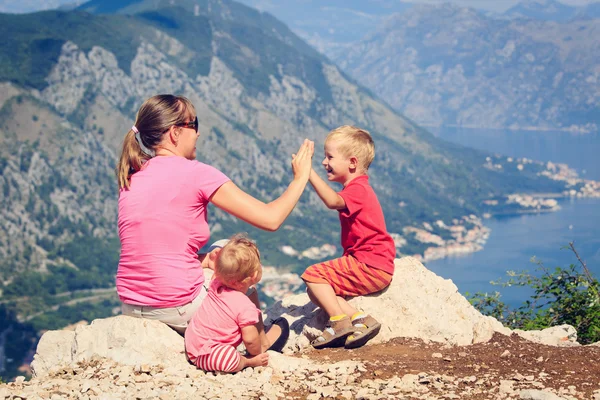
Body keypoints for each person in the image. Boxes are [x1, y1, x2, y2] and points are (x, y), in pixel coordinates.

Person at [115, 94, 314, 335]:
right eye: (194, 124)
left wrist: (203, 260)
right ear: (175, 133)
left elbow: (153, 255)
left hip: (131, 307)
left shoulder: (132, 177)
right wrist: (301, 177)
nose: (198, 133)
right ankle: (256, 339)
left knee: (217, 253)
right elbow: (270, 219)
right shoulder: (196, 173)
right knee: (238, 256)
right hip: (178, 308)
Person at [301, 125, 396, 349]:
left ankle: (339, 323)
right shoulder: (358, 188)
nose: (324, 162)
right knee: (316, 290)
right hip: (374, 265)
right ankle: (361, 320)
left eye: (330, 157)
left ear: (352, 163)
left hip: (369, 265)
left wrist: (307, 173)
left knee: (312, 274)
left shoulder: (358, 190)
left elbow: (332, 202)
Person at [185, 234, 290, 373]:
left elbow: (218, 272)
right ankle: (248, 361)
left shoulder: (216, 283)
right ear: (253, 276)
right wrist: (256, 352)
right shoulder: (245, 306)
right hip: (209, 355)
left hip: (193, 344)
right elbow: (251, 340)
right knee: (231, 358)